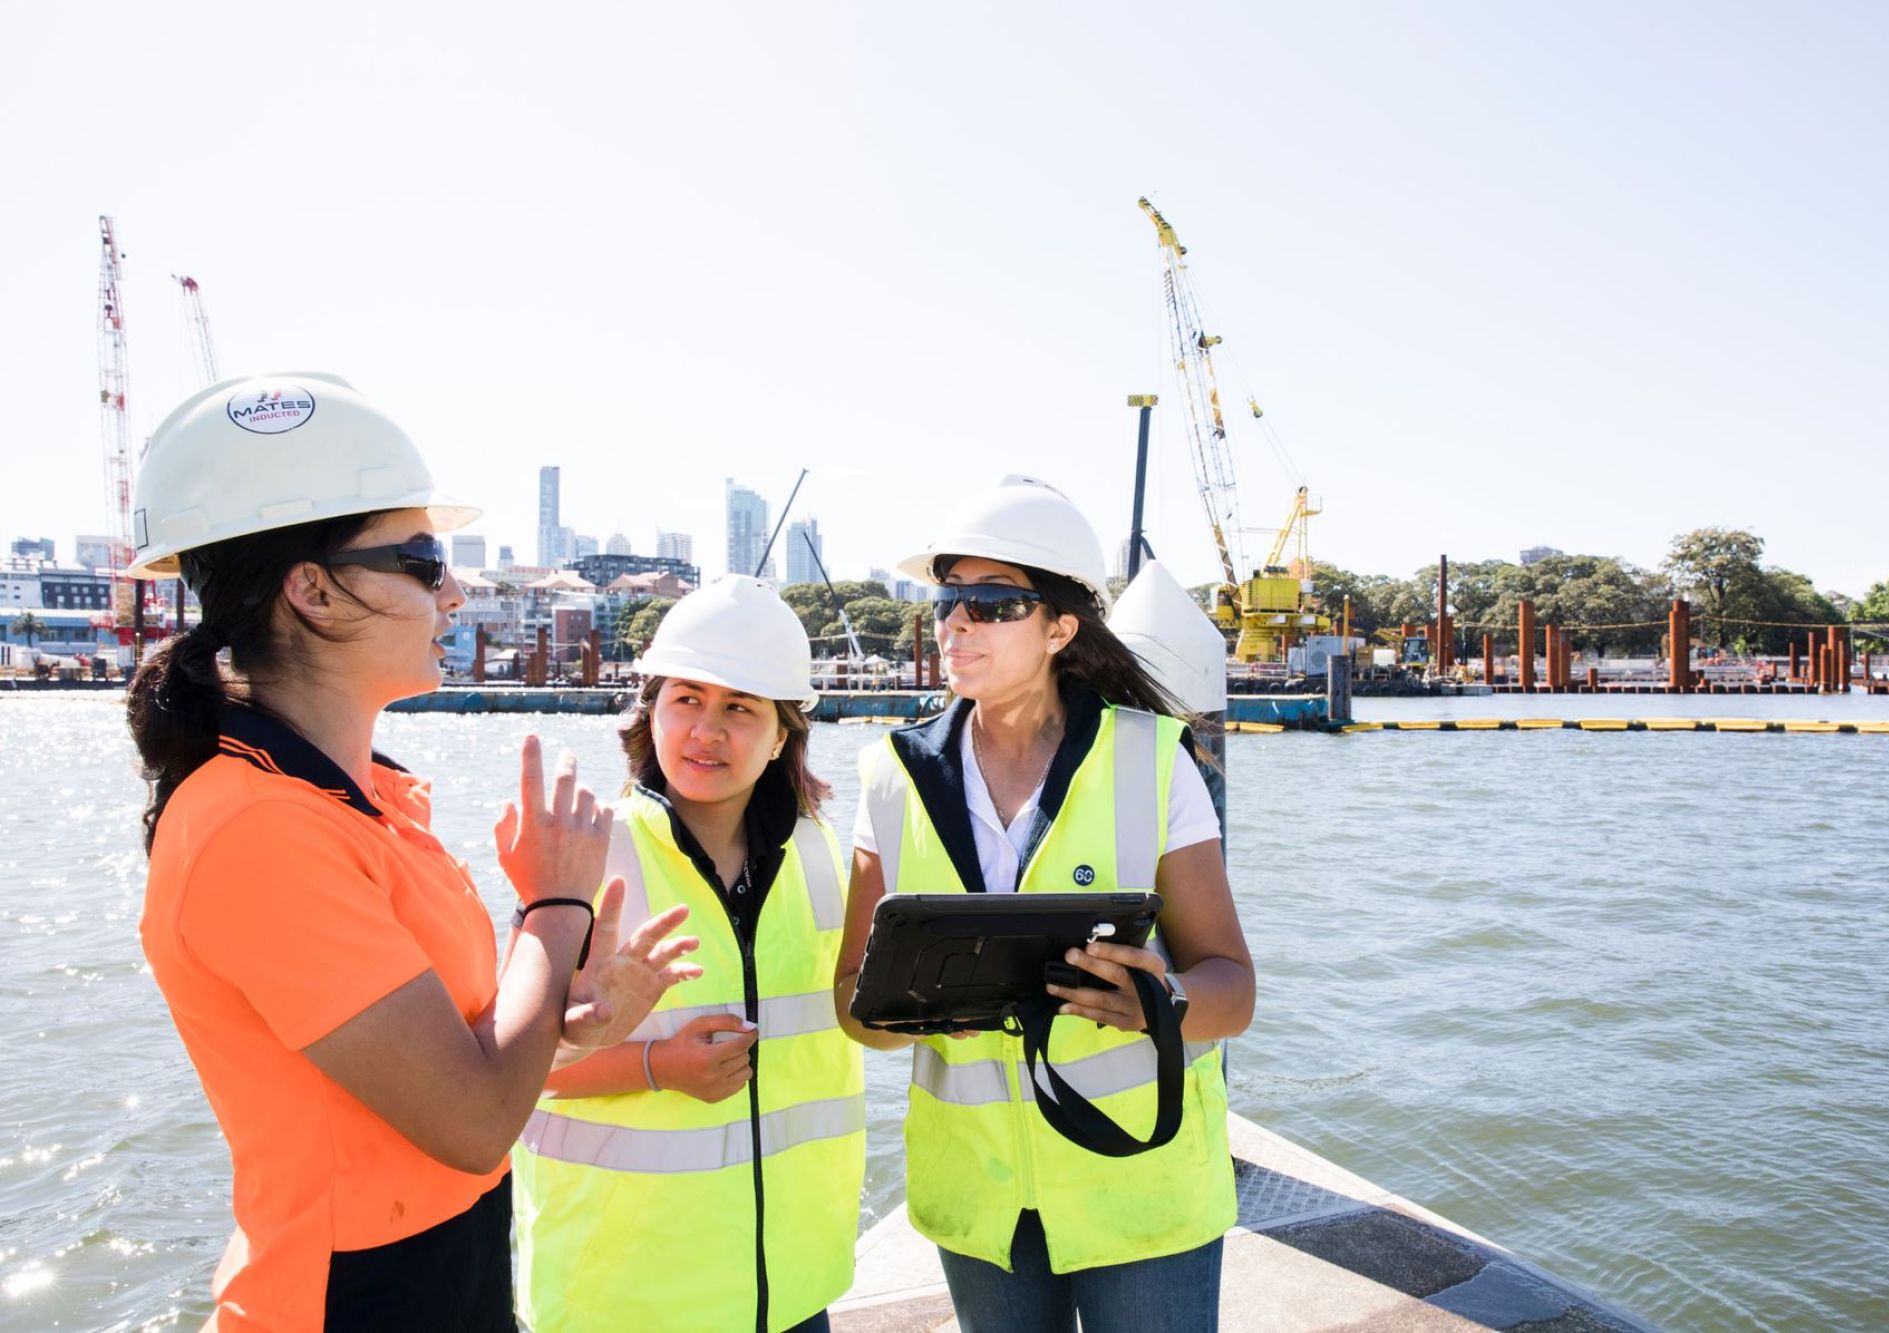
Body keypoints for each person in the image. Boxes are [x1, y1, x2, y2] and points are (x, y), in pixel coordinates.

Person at [127, 373, 699, 1332]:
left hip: (447, 1279)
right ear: (310, 589)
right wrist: (555, 910)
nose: (457, 590)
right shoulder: (256, 829)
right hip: (347, 1299)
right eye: (425, 559)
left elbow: (445, 1067)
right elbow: (471, 1123)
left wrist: (563, 1018)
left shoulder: (354, 796)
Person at [834, 476, 1256, 1332]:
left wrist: (1159, 1004)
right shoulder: (890, 776)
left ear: (1061, 627)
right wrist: (909, 1015)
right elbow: (851, 1002)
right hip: (982, 1204)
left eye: (990, 604)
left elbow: (1234, 988)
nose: (955, 621)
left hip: (1139, 1188)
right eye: (947, 598)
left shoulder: (1155, 761)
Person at [514, 575, 864, 1333]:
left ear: (781, 735)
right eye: (686, 698)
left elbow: (847, 1011)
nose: (706, 729)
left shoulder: (817, 852)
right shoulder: (585, 849)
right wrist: (653, 1065)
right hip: (625, 1297)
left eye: (739, 706)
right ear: (651, 711)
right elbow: (497, 1079)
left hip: (795, 1286)